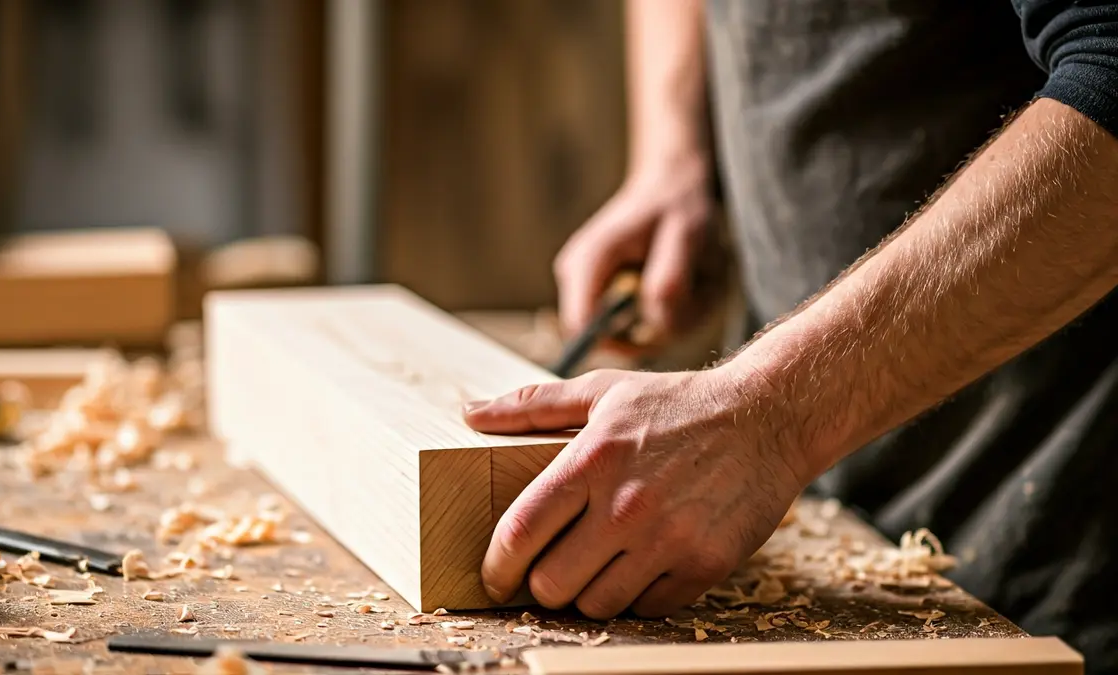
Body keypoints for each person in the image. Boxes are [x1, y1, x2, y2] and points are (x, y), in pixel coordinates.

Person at [461, 1, 1118, 670]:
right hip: (808, 497)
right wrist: (674, 151)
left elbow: (1110, 66)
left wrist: (773, 415)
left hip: (1048, 505)